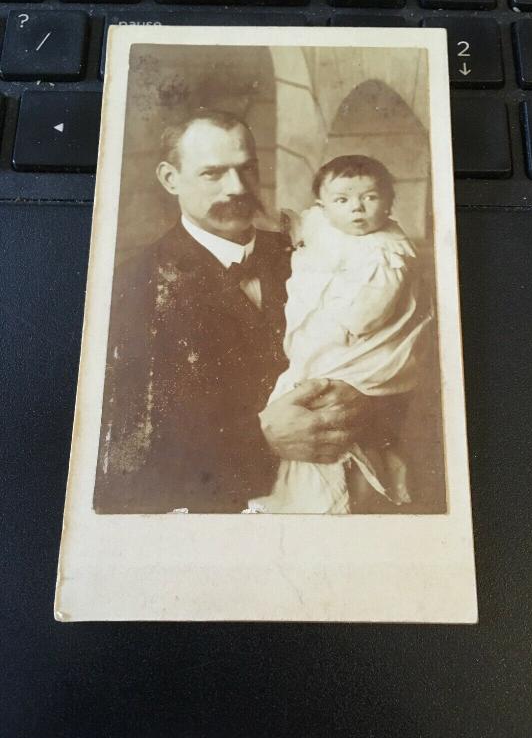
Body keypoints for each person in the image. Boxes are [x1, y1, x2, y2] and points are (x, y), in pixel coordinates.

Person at [94, 110, 373, 513]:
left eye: (247, 169)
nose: (237, 187)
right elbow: (120, 465)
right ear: (170, 178)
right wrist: (261, 440)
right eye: (213, 174)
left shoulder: (308, 254)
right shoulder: (129, 289)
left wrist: (365, 405)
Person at [247, 155, 431, 514]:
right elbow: (300, 225)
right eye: (343, 200)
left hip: (354, 349)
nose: (357, 209)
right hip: (316, 342)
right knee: (296, 415)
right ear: (323, 205)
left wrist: (333, 301)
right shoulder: (323, 223)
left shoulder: (385, 251)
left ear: (390, 202)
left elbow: (366, 314)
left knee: (331, 419)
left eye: (370, 197)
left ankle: (336, 504)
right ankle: (300, 497)